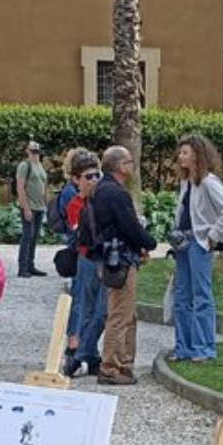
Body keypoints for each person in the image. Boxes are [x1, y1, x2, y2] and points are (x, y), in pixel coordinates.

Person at [81, 145, 155, 388]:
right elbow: (130, 227)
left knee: (125, 313)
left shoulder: (100, 190)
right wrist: (148, 243)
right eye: (130, 162)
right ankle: (111, 366)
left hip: (110, 257)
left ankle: (124, 362)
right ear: (122, 166)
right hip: (121, 259)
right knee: (120, 315)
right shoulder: (116, 193)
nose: (132, 166)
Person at [168, 135, 223, 364]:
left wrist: (212, 237)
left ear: (198, 154)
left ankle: (204, 347)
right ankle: (184, 347)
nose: (181, 156)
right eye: (180, 152)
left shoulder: (208, 181)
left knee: (201, 295)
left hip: (198, 243)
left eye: (185, 152)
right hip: (183, 244)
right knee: (182, 296)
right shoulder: (187, 182)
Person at [59, 150, 106, 379]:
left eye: (97, 175)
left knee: (99, 309)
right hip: (87, 258)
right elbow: (82, 233)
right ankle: (77, 348)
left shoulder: (101, 199)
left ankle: (87, 350)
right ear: (76, 180)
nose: (94, 180)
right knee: (84, 305)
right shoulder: (75, 203)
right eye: (88, 176)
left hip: (98, 257)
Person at [14, 140, 49, 278]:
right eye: (32, 151)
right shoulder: (24, 166)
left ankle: (30, 265)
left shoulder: (40, 165)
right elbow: (20, 188)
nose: (35, 153)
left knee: (34, 237)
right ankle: (22, 268)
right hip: (29, 206)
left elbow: (43, 185)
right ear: (27, 151)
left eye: (37, 151)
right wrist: (26, 208)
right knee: (27, 236)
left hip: (39, 206)